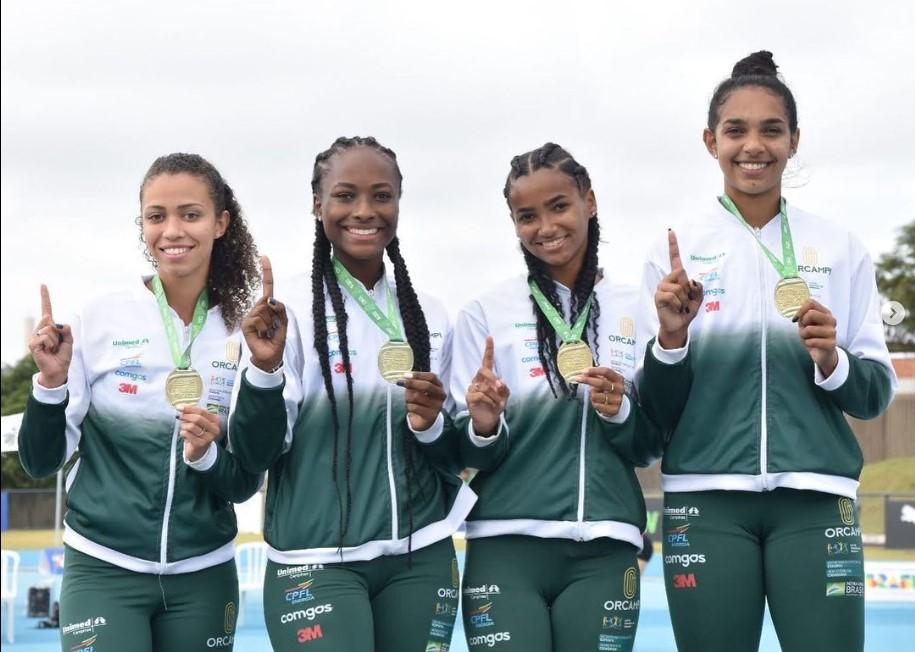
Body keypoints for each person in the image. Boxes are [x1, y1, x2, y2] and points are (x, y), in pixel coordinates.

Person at [637, 51, 898, 652]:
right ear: (710, 141)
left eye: (771, 129)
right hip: (705, 500)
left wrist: (831, 360)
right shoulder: (676, 247)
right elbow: (656, 411)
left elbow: (875, 392)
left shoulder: (838, 245)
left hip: (816, 499)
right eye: (736, 130)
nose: (753, 146)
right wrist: (671, 339)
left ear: (794, 140)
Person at [229, 136, 475, 652]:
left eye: (381, 196)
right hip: (314, 560)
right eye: (345, 195)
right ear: (317, 205)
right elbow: (255, 454)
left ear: (398, 203)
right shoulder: (283, 311)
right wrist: (265, 371)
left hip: (421, 554)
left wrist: (433, 423)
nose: (364, 211)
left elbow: (451, 455)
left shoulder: (429, 313)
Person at [19, 153, 264, 651]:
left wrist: (208, 451)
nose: (172, 230)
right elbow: (41, 462)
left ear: (221, 223)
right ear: (143, 226)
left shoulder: (246, 331)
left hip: (204, 571)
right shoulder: (100, 318)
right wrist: (50, 384)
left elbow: (243, 482)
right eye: (156, 216)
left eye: (190, 214)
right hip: (105, 568)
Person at [450, 143, 662, 652]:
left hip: (606, 549)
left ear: (589, 202)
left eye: (559, 206)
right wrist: (482, 424)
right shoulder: (486, 313)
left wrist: (621, 410)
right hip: (505, 546)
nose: (545, 226)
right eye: (527, 216)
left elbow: (651, 444)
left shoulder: (637, 307)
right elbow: (461, 449)